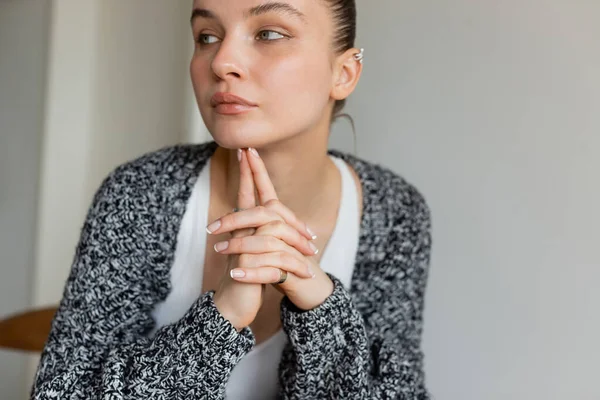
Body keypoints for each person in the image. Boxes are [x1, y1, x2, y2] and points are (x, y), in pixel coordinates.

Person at [31, 1, 432, 399]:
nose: (221, 61)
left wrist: (322, 314)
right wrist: (220, 319)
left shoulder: (393, 214)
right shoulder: (140, 193)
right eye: (207, 36)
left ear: (343, 73)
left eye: (269, 34)